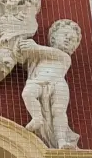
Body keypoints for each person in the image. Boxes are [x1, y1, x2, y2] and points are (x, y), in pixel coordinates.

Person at [19, 19, 81, 149]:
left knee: (58, 111)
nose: (68, 39)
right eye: (65, 35)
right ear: (53, 38)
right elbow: (27, 60)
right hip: (39, 81)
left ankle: (61, 140)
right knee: (27, 93)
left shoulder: (64, 57)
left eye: (73, 39)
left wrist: (34, 47)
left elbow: (48, 52)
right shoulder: (40, 55)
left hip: (58, 84)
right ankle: (37, 118)